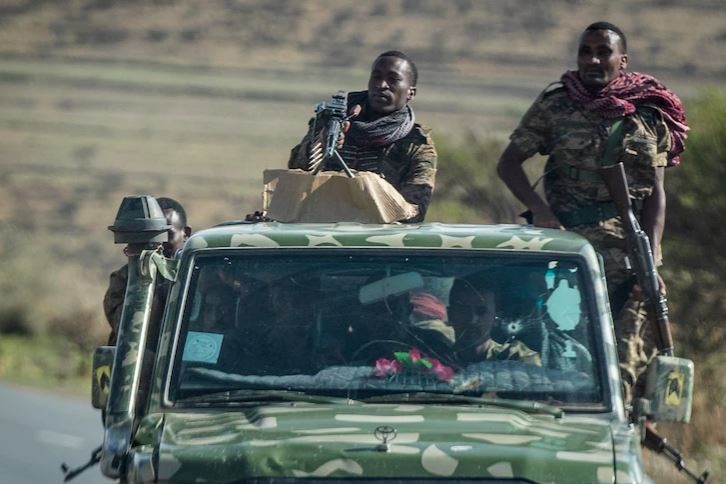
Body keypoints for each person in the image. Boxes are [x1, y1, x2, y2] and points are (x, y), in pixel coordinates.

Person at [496, 21, 688, 404]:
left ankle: (620, 429)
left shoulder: (649, 114)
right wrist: (541, 211)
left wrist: (651, 258)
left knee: (625, 361)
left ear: (623, 60)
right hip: (567, 251)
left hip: (627, 252)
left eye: (603, 51)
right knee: (563, 355)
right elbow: (508, 164)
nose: (593, 59)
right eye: (585, 51)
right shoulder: (556, 105)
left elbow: (655, 194)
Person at [288, 50, 437, 223]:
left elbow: (414, 210)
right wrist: (320, 145)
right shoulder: (333, 121)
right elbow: (295, 174)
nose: (382, 85)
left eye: (393, 79)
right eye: (376, 77)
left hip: (376, 237)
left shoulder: (416, 143)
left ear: (410, 92)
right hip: (319, 227)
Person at [103, 197, 192, 345]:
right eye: (154, 237)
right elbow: (128, 330)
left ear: (186, 233)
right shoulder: (126, 278)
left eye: (167, 235)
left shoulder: (196, 276)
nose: (159, 244)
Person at [448, 278, 541, 367]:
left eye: (482, 311)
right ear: (450, 315)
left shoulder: (516, 359)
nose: (472, 320)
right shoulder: (438, 358)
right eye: (463, 311)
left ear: (496, 319)